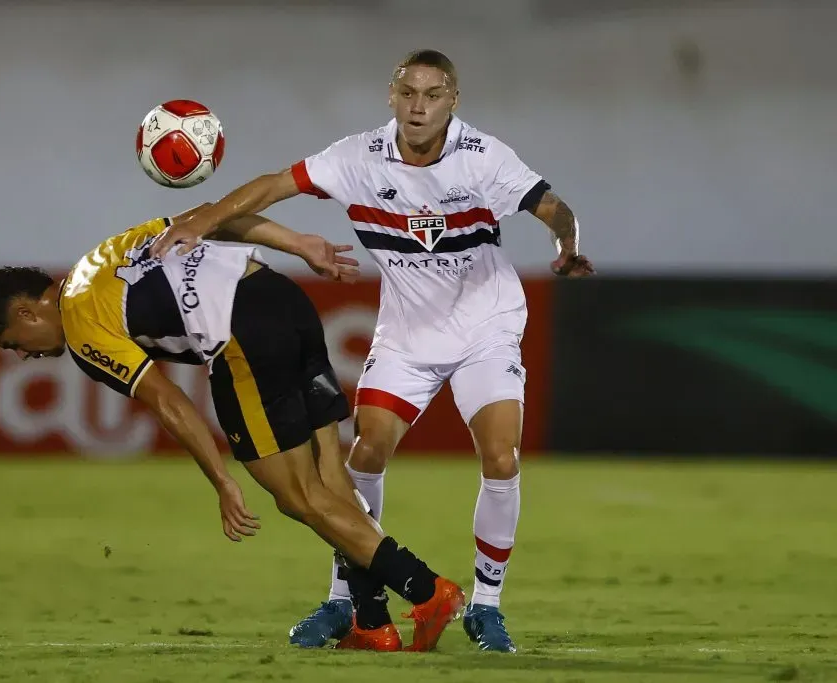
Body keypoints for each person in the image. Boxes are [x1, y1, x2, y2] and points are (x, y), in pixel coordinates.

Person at [150, 49, 596, 652]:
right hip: (407, 335)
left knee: (501, 458)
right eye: (408, 92)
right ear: (392, 95)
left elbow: (552, 206)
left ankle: (487, 607)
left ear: (452, 102)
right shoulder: (358, 157)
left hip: (485, 325)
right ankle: (349, 602)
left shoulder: (483, 157)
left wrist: (567, 245)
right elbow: (274, 185)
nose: (418, 106)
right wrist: (201, 222)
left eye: (432, 95)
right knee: (362, 457)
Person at [0, 208, 466, 652]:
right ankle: (373, 624)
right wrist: (297, 243)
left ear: (27, 312)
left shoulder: (81, 327)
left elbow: (168, 402)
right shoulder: (102, 256)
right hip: (284, 298)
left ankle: (427, 590)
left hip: (242, 336)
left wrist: (222, 481)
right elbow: (214, 216)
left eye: (14, 343)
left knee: (298, 497)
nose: (23, 356)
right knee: (331, 486)